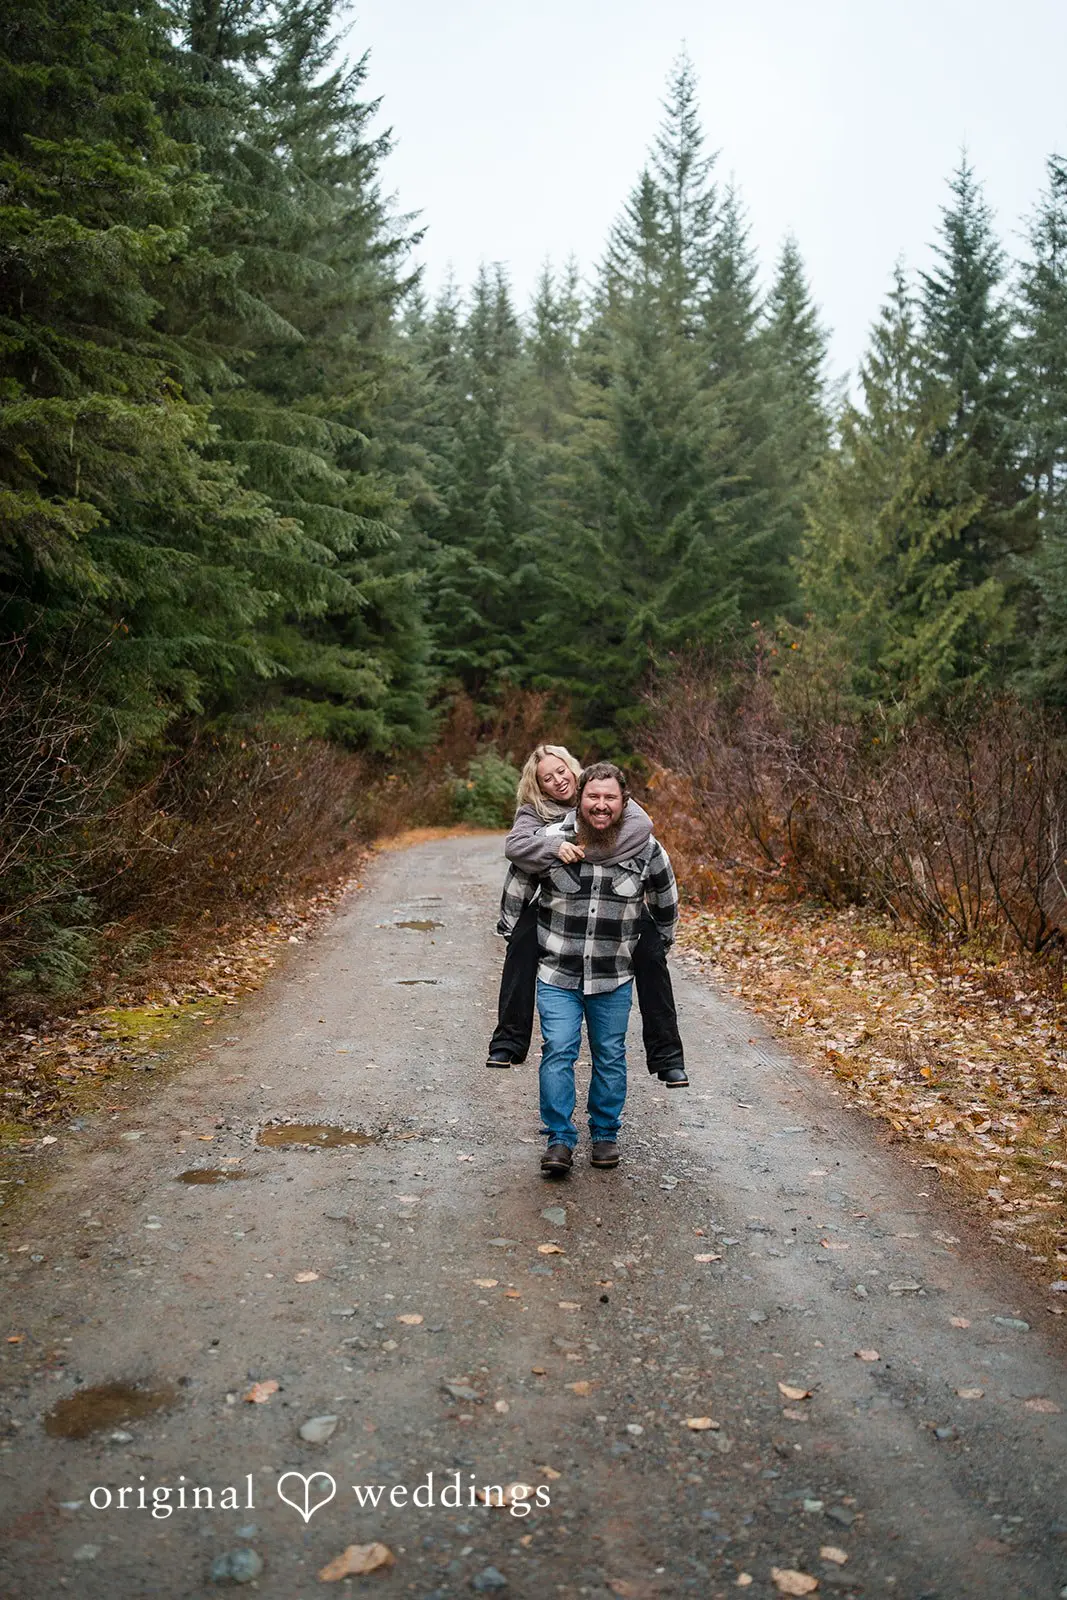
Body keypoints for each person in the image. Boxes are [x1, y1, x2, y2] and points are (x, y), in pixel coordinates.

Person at [498, 761, 680, 1175]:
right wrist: (513, 937)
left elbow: (666, 902)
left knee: (610, 1056)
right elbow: (516, 884)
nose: (601, 805)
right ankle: (559, 1139)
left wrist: (655, 946)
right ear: (579, 799)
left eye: (609, 798)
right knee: (558, 1050)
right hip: (556, 972)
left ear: (624, 802)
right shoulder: (550, 842)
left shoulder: (646, 849)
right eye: (593, 797)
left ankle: (604, 1135)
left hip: (613, 976)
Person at [485, 743, 687, 1087]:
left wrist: (594, 850)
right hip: (562, 895)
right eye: (547, 778)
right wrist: (553, 845)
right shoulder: (535, 813)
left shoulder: (602, 790)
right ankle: (509, 1041)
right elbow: (516, 850)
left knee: (651, 953)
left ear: (573, 770)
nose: (558, 781)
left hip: (618, 897)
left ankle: (668, 1057)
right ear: (538, 786)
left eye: (561, 771)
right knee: (521, 940)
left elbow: (643, 826)